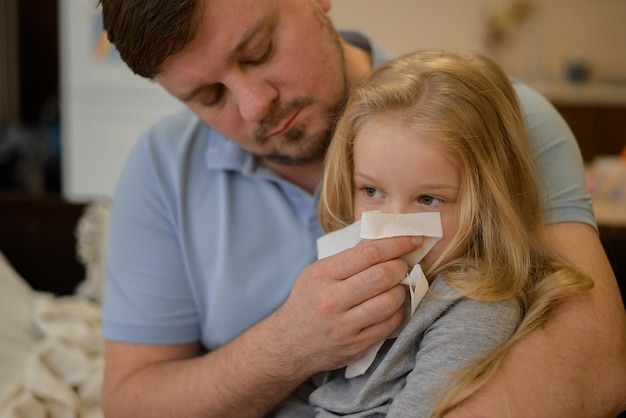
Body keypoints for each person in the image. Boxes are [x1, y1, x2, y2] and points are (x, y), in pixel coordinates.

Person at [97, 0, 626, 417]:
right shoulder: (161, 166)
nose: (255, 106)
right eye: (208, 96)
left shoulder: (500, 119)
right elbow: (130, 401)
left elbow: (596, 366)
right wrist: (289, 347)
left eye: (258, 52)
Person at [277, 49, 594, 417]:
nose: (392, 225)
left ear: (486, 203)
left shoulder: (474, 303)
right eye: (371, 191)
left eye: (428, 199)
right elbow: (297, 393)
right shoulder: (352, 279)